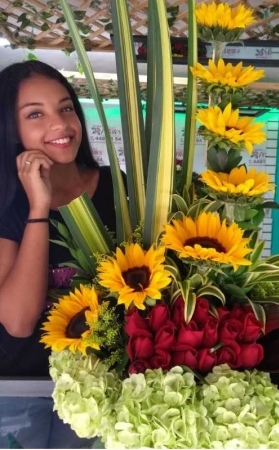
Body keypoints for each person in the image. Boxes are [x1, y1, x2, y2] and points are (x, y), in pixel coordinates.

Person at [0, 60, 118, 448]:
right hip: (17, 390)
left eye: (66, 107)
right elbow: (18, 321)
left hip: (100, 387)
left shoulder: (122, 191)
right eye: (35, 114)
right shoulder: (6, 203)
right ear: (11, 128)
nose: (60, 124)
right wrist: (39, 206)